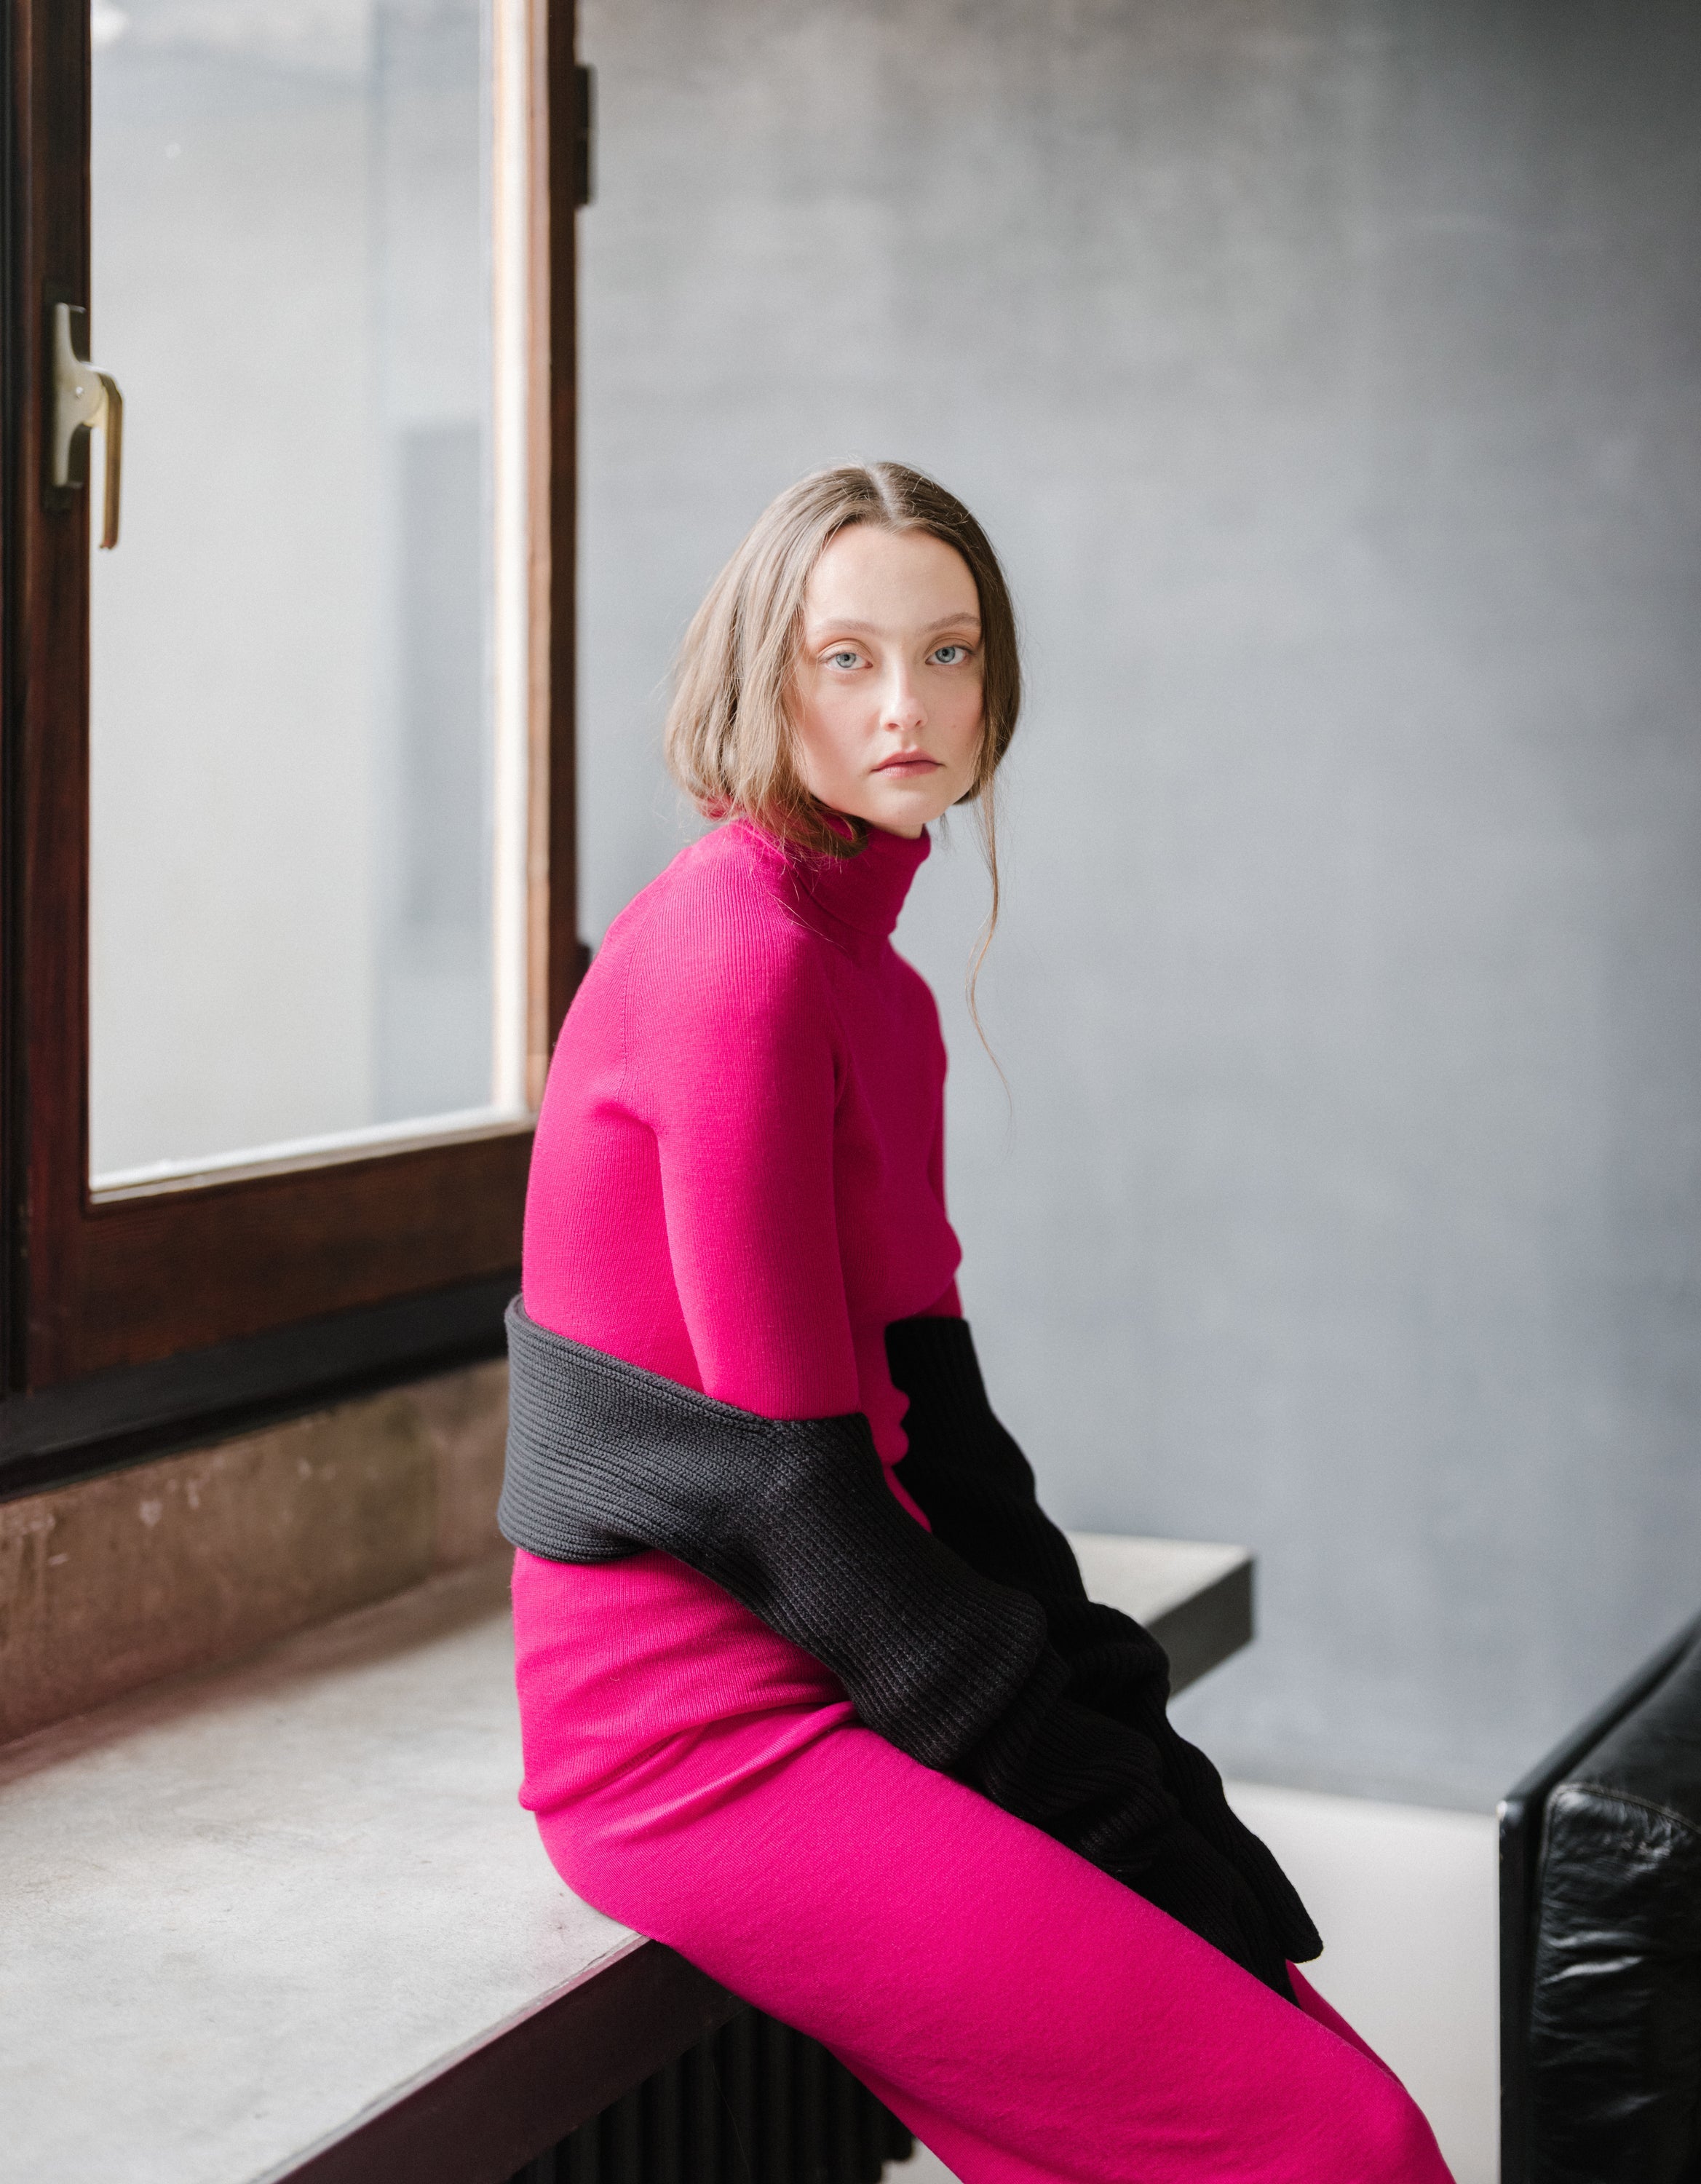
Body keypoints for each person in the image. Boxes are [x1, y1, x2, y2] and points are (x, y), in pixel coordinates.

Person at [506, 462, 1454, 2183]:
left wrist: (1146, 1751)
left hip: (855, 1652)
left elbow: (949, 1444)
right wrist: (1103, 1810)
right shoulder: (736, 957)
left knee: (1317, 2094)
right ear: (765, 675)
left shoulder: (878, 988)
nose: (908, 707)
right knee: (1347, 2145)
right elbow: (797, 1496)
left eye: (948, 654)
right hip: (697, 1731)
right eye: (848, 658)